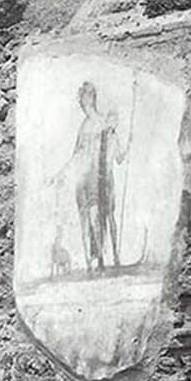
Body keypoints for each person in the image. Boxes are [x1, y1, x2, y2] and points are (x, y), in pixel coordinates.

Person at [65, 81, 130, 271]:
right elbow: (76, 153)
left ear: (92, 99)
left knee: (108, 216)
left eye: (87, 99)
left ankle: (114, 256)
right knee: (91, 217)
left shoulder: (102, 121)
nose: (84, 104)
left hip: (102, 175)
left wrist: (126, 144)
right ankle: (96, 258)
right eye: (82, 100)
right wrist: (62, 173)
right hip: (88, 176)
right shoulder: (83, 126)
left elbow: (115, 152)